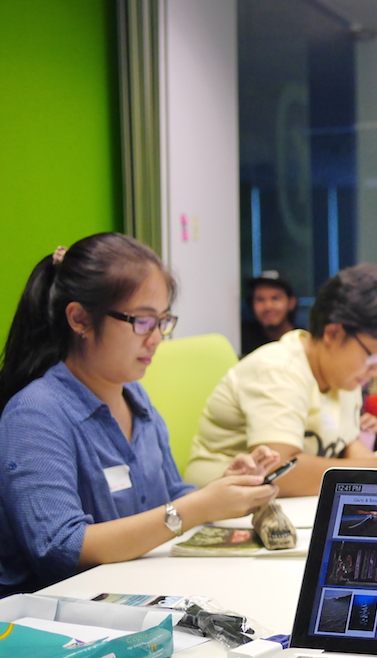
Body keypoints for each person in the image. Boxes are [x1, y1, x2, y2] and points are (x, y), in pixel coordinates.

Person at [0, 234, 279, 596]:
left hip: (140, 593)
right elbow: (60, 547)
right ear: (80, 319)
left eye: (162, 321)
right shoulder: (35, 414)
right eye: (143, 321)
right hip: (64, 613)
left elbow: (170, 494)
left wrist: (222, 490)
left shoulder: (135, 397)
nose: (156, 338)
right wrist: (195, 508)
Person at [186, 264, 377, 497]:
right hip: (218, 506)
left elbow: (345, 444)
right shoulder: (279, 369)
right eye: (374, 355)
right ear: (333, 333)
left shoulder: (343, 375)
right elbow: (278, 472)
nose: (376, 370)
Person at [241, 270, 299, 356]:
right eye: (260, 299)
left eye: (275, 298)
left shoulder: (303, 340)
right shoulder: (242, 341)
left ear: (291, 303)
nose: (268, 306)